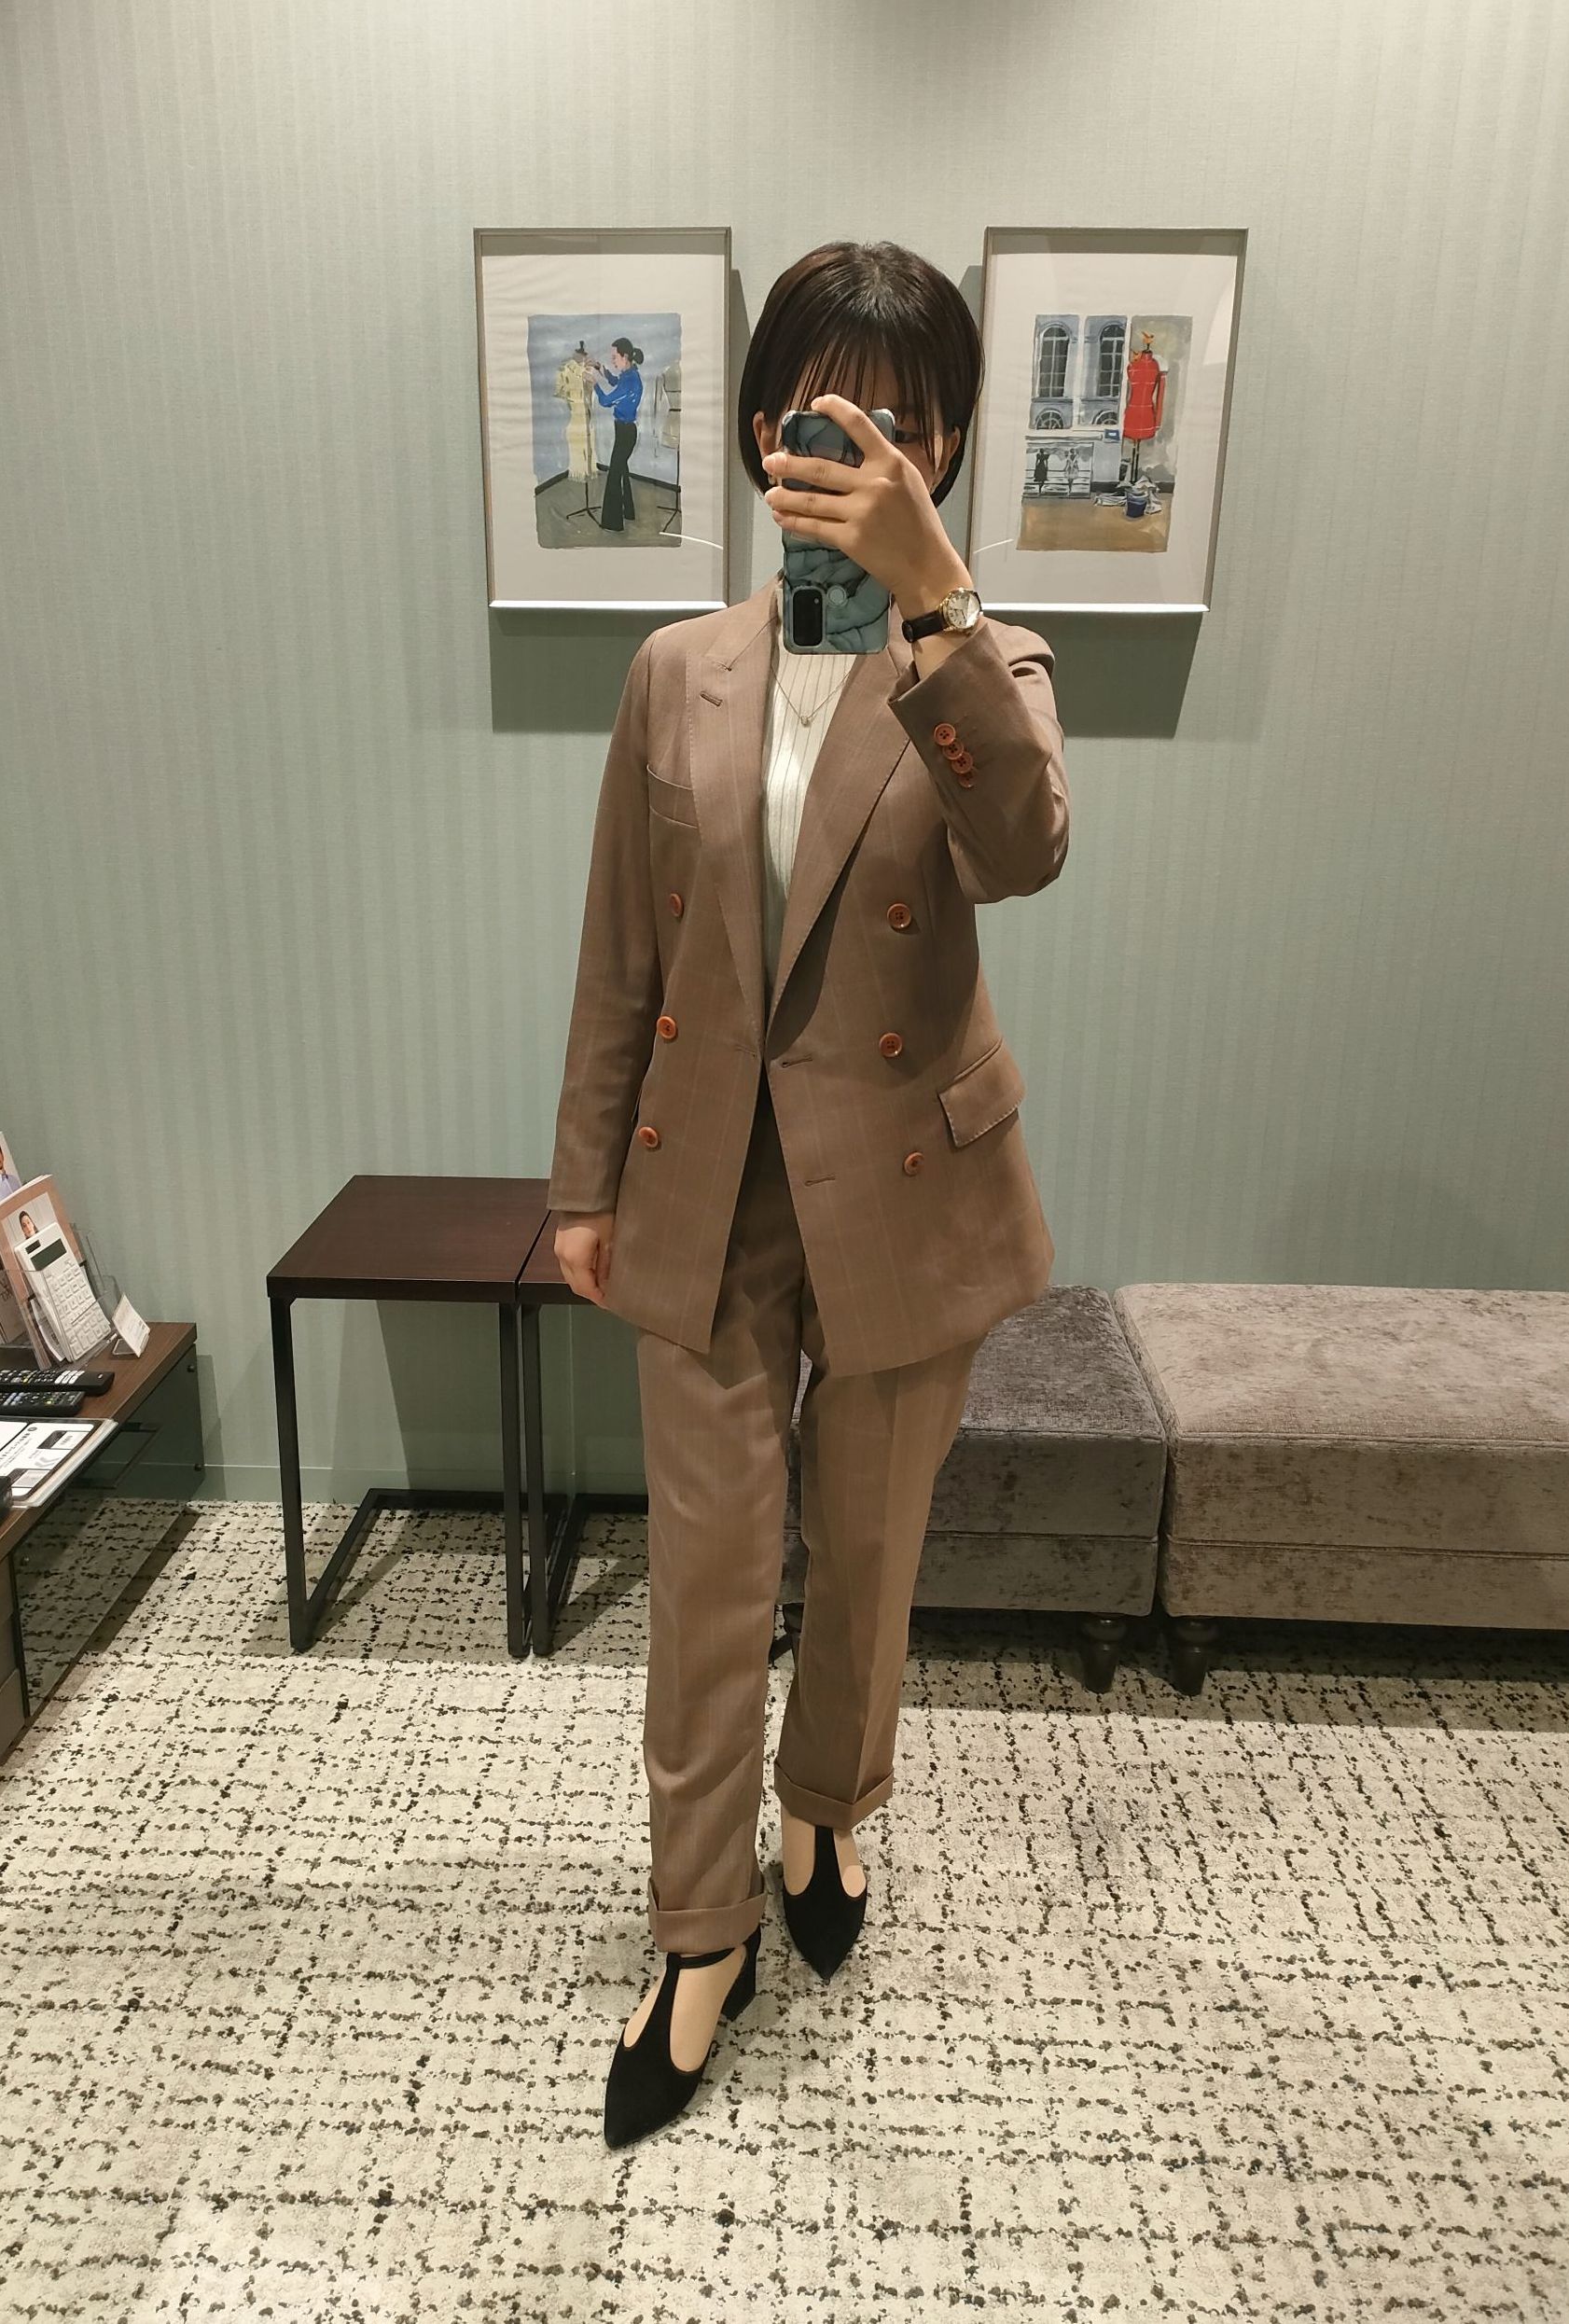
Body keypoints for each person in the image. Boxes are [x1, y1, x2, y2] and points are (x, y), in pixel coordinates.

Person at [546, 240, 1069, 2148]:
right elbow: (624, 947)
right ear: (763, 432)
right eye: (818, 417)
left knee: (864, 1554)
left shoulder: (988, 666)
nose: (851, 455)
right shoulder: (673, 670)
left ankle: (824, 1813)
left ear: (947, 453)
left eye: (901, 427)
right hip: (702, 1194)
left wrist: (937, 605)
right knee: (703, 1579)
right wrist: (581, 1178)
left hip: (907, 1190)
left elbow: (1022, 849)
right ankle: (700, 1933)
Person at [590, 338, 643, 530]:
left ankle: (613, 524)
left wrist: (594, 383)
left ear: (625, 356)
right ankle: (628, 512)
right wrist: (600, 368)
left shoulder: (630, 380)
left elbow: (606, 401)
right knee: (622, 472)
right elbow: (614, 381)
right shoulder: (629, 374)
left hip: (626, 433)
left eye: (614, 357)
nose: (612, 360)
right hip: (624, 431)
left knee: (614, 475)